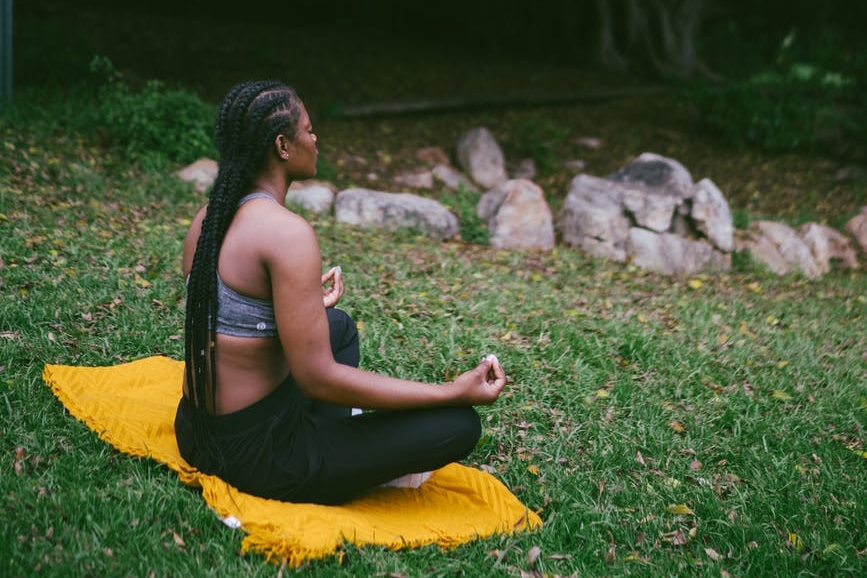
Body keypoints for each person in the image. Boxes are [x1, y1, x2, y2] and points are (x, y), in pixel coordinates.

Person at [173, 80, 506, 505]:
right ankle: (338, 463)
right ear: (282, 146)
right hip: (259, 457)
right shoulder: (286, 234)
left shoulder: (209, 217)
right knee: (459, 425)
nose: (315, 140)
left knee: (338, 326)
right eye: (308, 130)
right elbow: (317, 380)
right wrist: (452, 392)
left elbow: (226, 317)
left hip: (196, 431)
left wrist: (301, 304)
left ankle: (338, 448)